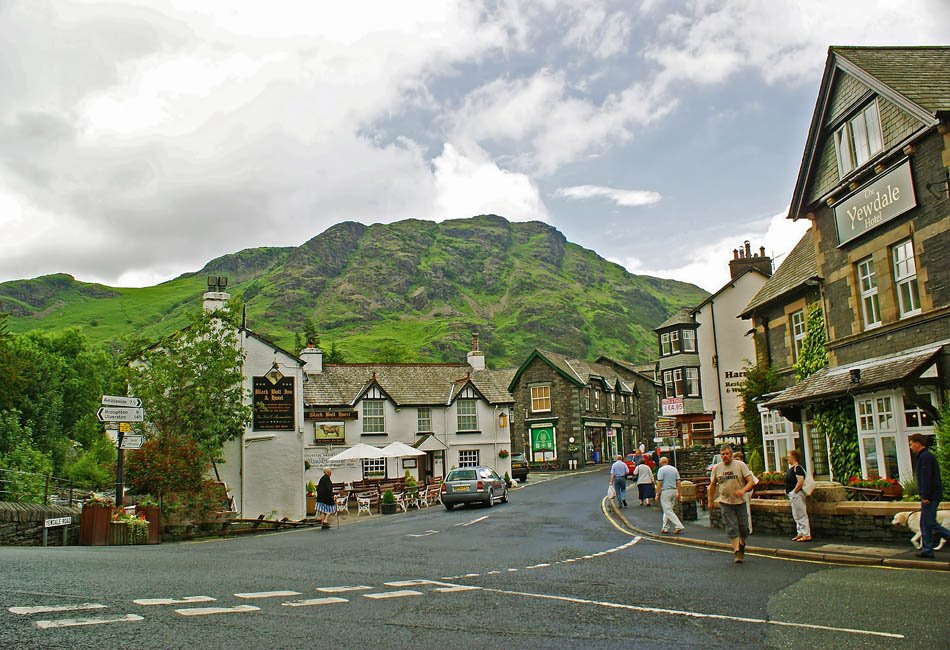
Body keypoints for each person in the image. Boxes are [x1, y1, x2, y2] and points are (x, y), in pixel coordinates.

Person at [708, 445, 755, 563]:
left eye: (727, 454)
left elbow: (751, 481)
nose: (725, 456)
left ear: (732, 454)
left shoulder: (740, 466)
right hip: (725, 501)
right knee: (731, 526)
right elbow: (712, 485)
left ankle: (742, 543)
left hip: (740, 501)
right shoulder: (717, 468)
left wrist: (742, 491)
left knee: (744, 528)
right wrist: (710, 501)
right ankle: (737, 552)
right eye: (723, 454)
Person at [908, 433, 950, 558]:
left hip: (930, 496)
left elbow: (926, 478)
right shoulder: (924, 457)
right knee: (925, 523)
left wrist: (925, 495)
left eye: (911, 444)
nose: (911, 447)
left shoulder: (925, 458)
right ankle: (927, 550)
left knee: (930, 522)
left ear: (918, 443)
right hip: (929, 496)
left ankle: (929, 548)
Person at [785, 449, 811, 542]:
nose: (787, 458)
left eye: (789, 457)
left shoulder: (798, 468)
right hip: (793, 495)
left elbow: (800, 481)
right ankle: (800, 533)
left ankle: (806, 534)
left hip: (797, 494)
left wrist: (794, 492)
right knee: (796, 514)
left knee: (801, 514)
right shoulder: (792, 468)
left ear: (794, 457)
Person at [656, 456, 684, 534]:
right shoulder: (674, 469)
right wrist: (679, 493)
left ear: (661, 462)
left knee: (668, 510)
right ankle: (665, 528)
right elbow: (678, 482)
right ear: (667, 462)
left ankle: (679, 526)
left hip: (666, 491)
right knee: (668, 510)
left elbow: (659, 483)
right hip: (674, 491)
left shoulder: (661, 470)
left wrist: (657, 494)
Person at [733, 451, 759, 534]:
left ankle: (748, 529)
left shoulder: (747, 471)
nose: (737, 462)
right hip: (737, 495)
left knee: (746, 512)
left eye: (738, 459)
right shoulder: (734, 471)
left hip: (745, 494)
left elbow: (754, 482)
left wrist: (748, 491)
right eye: (735, 460)